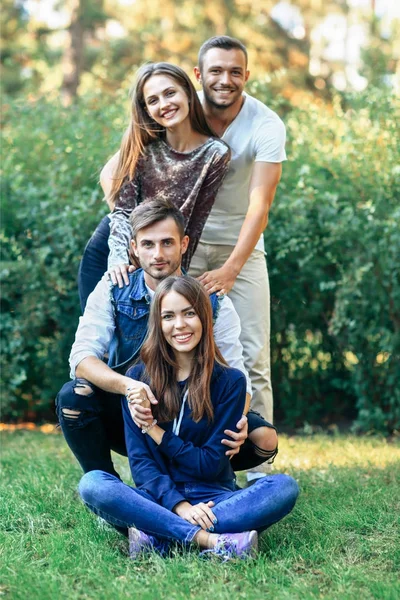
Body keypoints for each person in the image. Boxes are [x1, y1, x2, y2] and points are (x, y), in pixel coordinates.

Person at [100, 37, 287, 484]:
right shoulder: (175, 104)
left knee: (250, 352)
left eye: (235, 71)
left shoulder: (265, 124)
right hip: (182, 241)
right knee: (168, 338)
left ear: (247, 74)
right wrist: (136, 237)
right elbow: (115, 171)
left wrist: (231, 269)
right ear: (199, 77)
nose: (226, 79)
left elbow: (259, 207)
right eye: (216, 71)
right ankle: (167, 453)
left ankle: (253, 465)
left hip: (241, 246)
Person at [79, 276, 299, 559]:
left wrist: (155, 431)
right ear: (158, 324)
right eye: (168, 316)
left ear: (204, 318)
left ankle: (158, 537)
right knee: (93, 483)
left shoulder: (230, 382)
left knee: (282, 487)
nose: (179, 325)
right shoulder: (137, 380)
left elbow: (209, 464)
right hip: (158, 500)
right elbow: (143, 467)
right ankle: (208, 541)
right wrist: (180, 506)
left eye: (189, 313)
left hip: (217, 499)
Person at [56, 200, 278, 480]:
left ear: (184, 244)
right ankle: (106, 486)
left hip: (196, 414)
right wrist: (129, 387)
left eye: (167, 243)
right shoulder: (113, 289)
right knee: (74, 397)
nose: (157, 254)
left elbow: (237, 373)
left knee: (264, 439)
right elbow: (81, 359)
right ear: (134, 249)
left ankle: (194, 476)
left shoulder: (214, 301)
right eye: (148, 244)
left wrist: (239, 418)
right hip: (132, 412)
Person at [78, 61, 230, 311]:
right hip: (115, 252)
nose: (165, 104)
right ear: (147, 109)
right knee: (103, 344)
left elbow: (193, 223)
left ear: (188, 93)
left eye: (170, 93)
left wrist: (176, 277)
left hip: (159, 256)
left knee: (156, 344)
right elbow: (123, 212)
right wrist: (119, 261)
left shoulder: (215, 154)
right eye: (153, 100)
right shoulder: (143, 147)